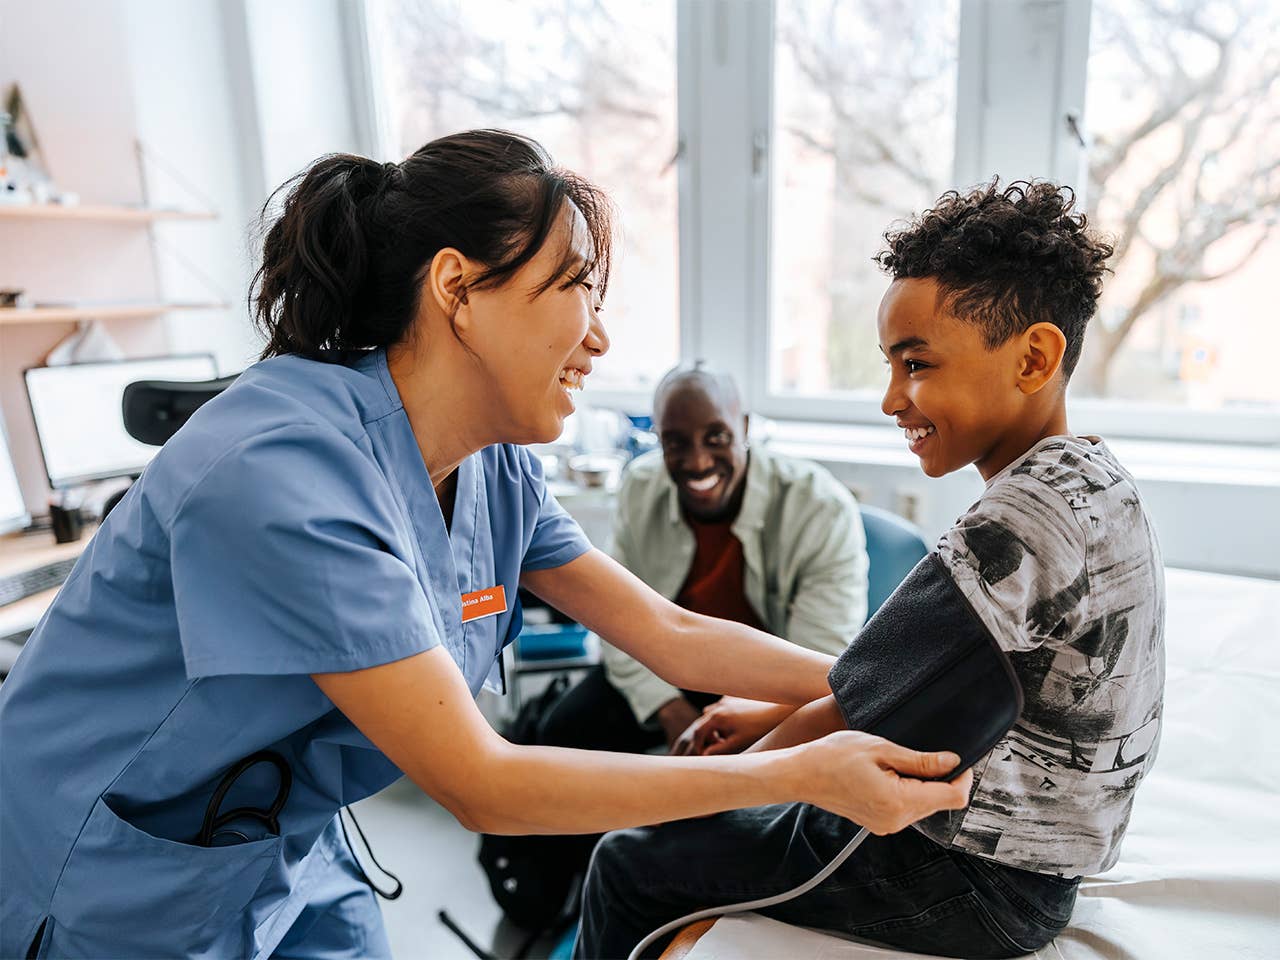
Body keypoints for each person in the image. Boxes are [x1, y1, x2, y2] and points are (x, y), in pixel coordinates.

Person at [0, 130, 971, 960]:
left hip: (278, 845)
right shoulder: (280, 471)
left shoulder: (492, 468)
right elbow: (481, 783)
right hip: (107, 863)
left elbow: (668, 633)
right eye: (574, 287)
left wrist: (880, 688)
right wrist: (796, 772)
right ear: (458, 289)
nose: (597, 337)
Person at [577, 180, 1166, 960]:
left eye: (916, 363)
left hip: (972, 878)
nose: (892, 399)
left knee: (626, 861)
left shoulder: (1015, 523)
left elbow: (857, 714)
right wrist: (761, 717)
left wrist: (704, 800)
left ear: (1034, 358)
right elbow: (907, 675)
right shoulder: (1093, 480)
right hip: (1044, 865)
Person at [538, 363, 868, 755]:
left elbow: (821, 659)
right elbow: (617, 627)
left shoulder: (820, 508)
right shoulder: (641, 487)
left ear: (743, 428)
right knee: (559, 736)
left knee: (734, 793)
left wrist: (751, 719)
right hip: (669, 674)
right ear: (657, 439)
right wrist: (667, 707)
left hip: (773, 687)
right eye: (676, 443)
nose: (697, 462)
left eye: (716, 437)